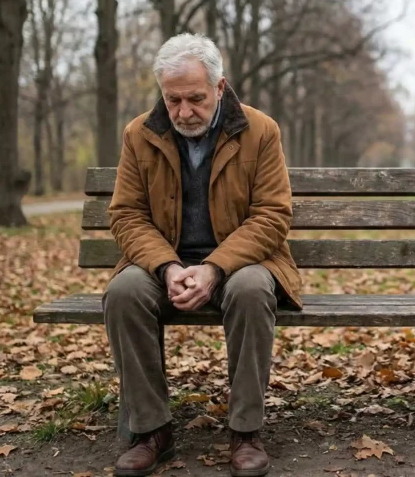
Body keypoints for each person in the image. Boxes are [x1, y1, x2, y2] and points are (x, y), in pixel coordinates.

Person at [103, 33, 301, 477]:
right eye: (173, 100)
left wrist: (214, 267)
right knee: (124, 291)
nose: (184, 112)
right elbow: (127, 215)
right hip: (163, 261)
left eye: (195, 98)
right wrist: (168, 266)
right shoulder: (140, 134)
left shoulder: (260, 130)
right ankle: (151, 430)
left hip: (242, 261)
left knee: (252, 289)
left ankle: (245, 431)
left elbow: (272, 215)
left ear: (219, 87)